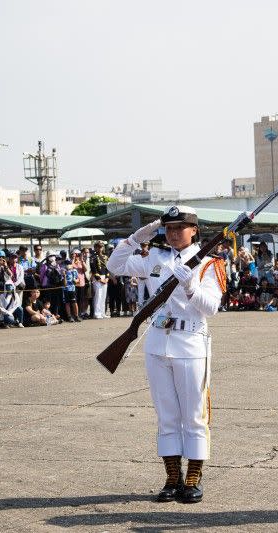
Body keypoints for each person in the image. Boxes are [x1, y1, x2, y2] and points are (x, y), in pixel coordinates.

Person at [107, 206, 225, 504]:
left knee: (194, 414)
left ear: (194, 230)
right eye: (168, 228)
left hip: (191, 343)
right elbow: (115, 265)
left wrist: (190, 286)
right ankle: (172, 477)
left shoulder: (210, 263)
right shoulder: (155, 258)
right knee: (167, 414)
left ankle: (194, 477)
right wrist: (137, 237)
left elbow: (210, 308)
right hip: (157, 341)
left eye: (179, 228)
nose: (172, 233)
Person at [90, 242, 109, 319]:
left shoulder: (105, 257)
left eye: (101, 247)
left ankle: (102, 312)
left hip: (104, 277)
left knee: (104, 296)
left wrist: (107, 278)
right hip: (97, 278)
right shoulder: (93, 257)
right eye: (98, 247)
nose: (100, 248)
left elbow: (107, 268)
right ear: (95, 248)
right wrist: (100, 279)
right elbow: (93, 269)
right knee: (98, 296)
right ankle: (97, 313)